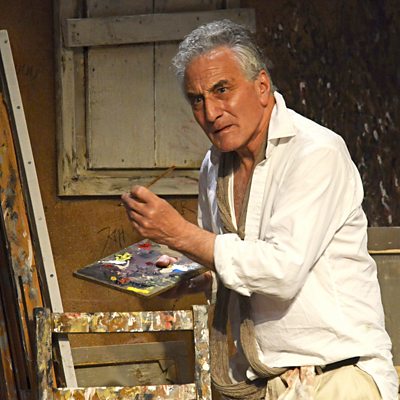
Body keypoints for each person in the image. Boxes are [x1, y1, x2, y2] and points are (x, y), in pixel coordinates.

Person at [121, 19, 398, 399]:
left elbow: (281, 271)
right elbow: (235, 261)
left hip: (335, 378)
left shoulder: (315, 152)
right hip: (265, 382)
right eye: (197, 100)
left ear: (262, 86)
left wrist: (179, 234)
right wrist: (196, 277)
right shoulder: (215, 165)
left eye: (222, 90)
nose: (211, 112)